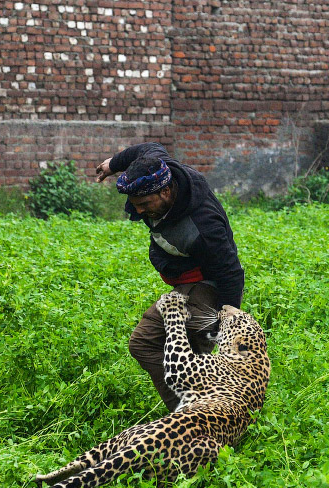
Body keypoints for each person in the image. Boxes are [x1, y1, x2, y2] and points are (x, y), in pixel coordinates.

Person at [95, 142, 245, 411]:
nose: (138, 211)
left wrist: (227, 324)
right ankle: (191, 412)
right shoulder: (156, 167)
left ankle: (199, 419)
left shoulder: (203, 225)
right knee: (144, 344)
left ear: (165, 191)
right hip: (184, 279)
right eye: (134, 204)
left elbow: (230, 271)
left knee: (192, 359)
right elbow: (148, 147)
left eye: (144, 204)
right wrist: (113, 164)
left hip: (206, 285)